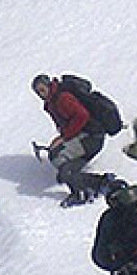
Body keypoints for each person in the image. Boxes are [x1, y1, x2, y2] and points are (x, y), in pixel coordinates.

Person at [33, 74, 112, 207]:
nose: (40, 94)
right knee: (61, 161)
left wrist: (64, 137)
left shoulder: (62, 98)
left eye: (42, 90)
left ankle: (85, 190)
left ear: (48, 85)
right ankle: (80, 179)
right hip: (87, 136)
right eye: (37, 92)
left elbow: (82, 116)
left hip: (92, 138)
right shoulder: (53, 100)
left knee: (58, 159)